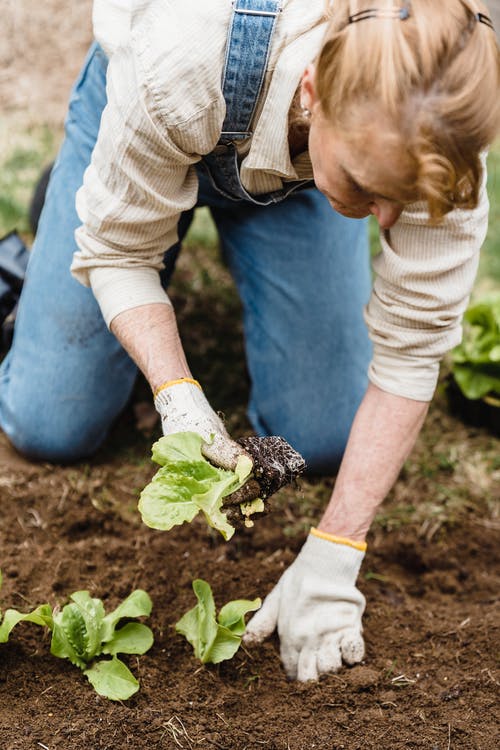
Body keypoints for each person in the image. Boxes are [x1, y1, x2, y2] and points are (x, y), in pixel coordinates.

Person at [0, 0, 498, 681]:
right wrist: (176, 392)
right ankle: (80, 188)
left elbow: (413, 349)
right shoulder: (180, 56)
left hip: (302, 175)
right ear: (315, 92)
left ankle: (262, 220)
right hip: (163, 104)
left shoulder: (438, 142)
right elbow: (118, 254)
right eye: (367, 186)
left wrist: (336, 549)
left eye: (398, 196)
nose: (385, 220)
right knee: (50, 423)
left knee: (324, 435)